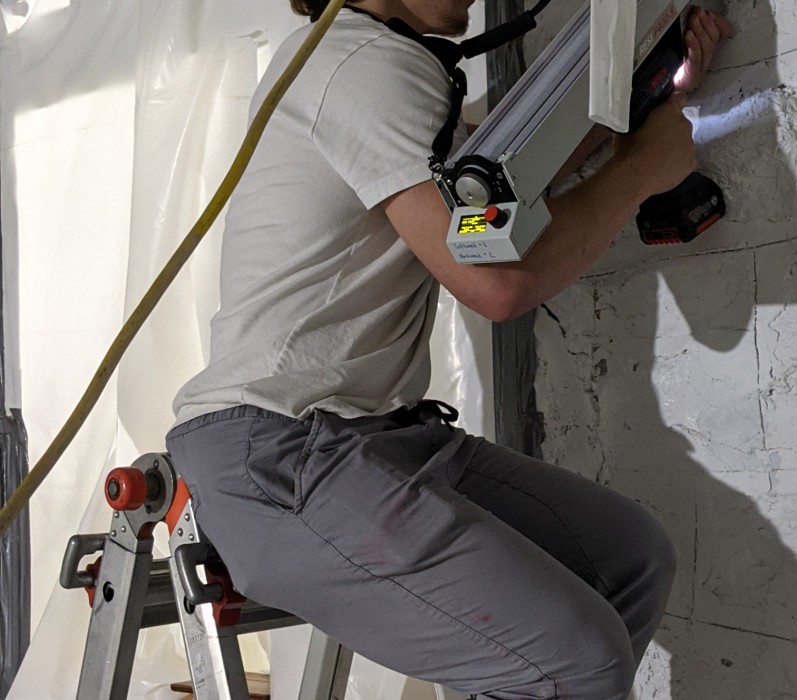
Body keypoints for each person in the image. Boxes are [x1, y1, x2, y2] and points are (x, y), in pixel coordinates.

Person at [165, 0, 730, 697]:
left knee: (627, 558)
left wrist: (646, 85)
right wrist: (640, 170)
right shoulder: (360, 66)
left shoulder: (373, 63)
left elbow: (499, 196)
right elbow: (498, 280)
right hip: (282, 451)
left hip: (373, 439)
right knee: (578, 659)